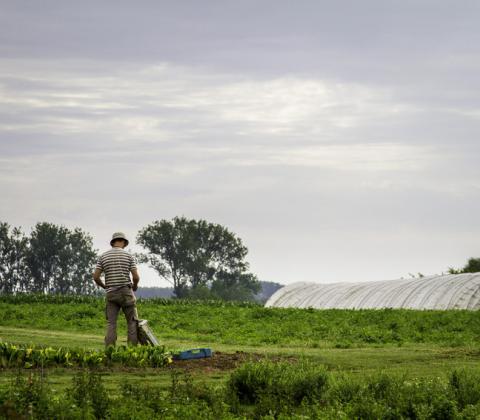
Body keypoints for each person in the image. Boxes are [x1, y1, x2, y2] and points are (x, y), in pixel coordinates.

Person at [93, 232, 140, 346]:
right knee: (132, 322)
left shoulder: (103, 256)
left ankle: (110, 350)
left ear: (113, 242)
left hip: (111, 293)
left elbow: (96, 277)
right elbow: (136, 277)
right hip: (126, 292)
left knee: (111, 323)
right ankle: (132, 350)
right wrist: (134, 286)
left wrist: (105, 286)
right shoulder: (128, 256)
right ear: (123, 242)